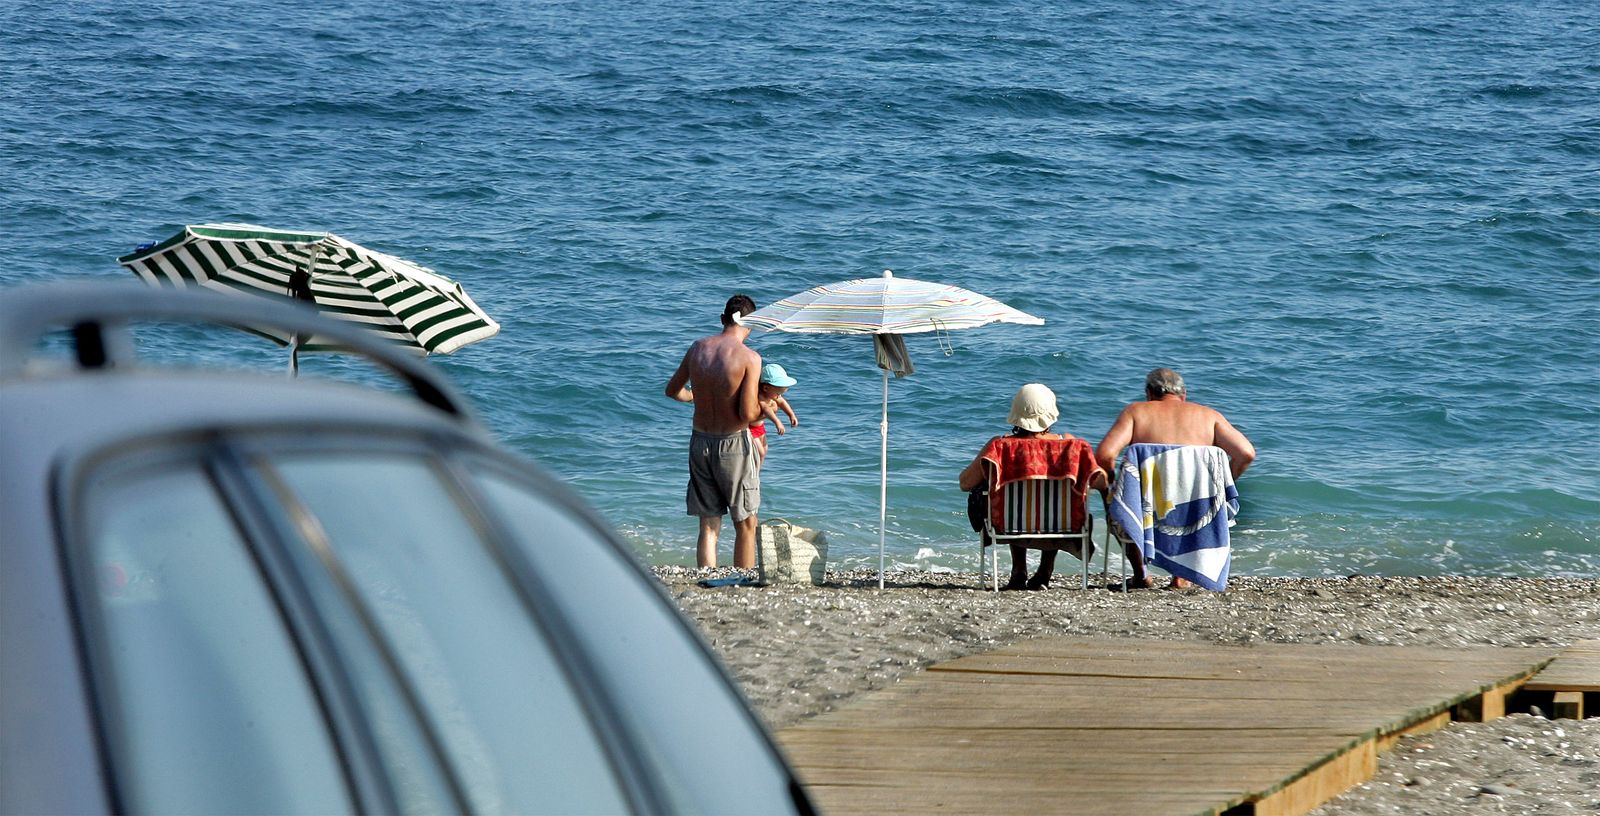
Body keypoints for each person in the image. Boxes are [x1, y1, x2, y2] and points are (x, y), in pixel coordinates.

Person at [1095, 367, 1256, 589]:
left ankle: (1141, 574)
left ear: (1149, 394)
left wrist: (1115, 486)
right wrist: (1219, 485)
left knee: (1119, 501)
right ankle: (1182, 578)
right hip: (1195, 505)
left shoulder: (1136, 412)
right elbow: (1246, 453)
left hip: (1146, 506)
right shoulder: (1209, 416)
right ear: (1184, 395)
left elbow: (1105, 455)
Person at [959, 383, 1108, 590]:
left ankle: (1018, 570)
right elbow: (1099, 482)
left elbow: (965, 483)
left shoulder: (1000, 447)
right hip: (1062, 527)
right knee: (1053, 502)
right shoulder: (1071, 447)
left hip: (1008, 527)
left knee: (1008, 497)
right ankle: (1045, 570)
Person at [664, 294, 764, 569]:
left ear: (722, 319)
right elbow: (746, 414)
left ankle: (707, 577)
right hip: (734, 445)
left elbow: (672, 391)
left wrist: (694, 397)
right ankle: (742, 577)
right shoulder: (750, 358)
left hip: (699, 441)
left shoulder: (698, 348)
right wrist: (766, 409)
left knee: (708, 524)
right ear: (751, 324)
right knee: (745, 522)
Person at [750, 362, 799, 459]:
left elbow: (782, 402)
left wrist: (791, 415)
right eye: (778, 393)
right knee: (760, 453)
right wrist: (777, 422)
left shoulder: (772, 394)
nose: (779, 396)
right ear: (766, 388)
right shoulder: (761, 397)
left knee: (765, 449)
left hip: (759, 427)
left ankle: (757, 472)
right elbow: (766, 409)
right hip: (750, 429)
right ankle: (754, 472)